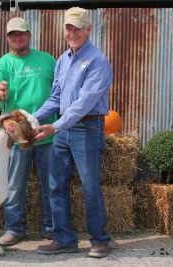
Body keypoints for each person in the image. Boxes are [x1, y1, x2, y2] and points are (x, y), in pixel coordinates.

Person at [33, 7, 112, 258]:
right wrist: (31, 119)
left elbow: (83, 103)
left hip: (87, 128)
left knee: (90, 187)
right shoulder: (63, 59)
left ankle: (100, 240)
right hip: (64, 129)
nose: (73, 32)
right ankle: (64, 238)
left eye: (78, 28)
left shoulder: (98, 61)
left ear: (88, 29)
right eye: (69, 28)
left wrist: (54, 126)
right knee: (55, 183)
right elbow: (55, 98)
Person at [0, 17, 57, 246]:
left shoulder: (47, 60)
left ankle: (51, 227)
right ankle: (14, 229)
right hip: (16, 136)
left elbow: (60, 91)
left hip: (47, 132)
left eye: (21, 33)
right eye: (12, 34)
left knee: (51, 183)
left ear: (29, 35)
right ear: (7, 38)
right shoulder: (2, 64)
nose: (17, 37)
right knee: (14, 184)